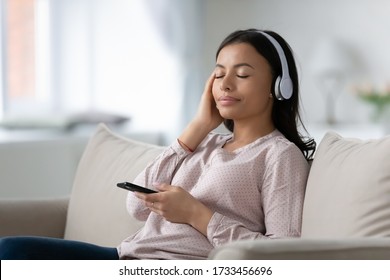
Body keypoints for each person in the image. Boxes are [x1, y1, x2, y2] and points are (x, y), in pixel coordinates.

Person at [0, 28, 315, 260]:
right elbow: (136, 205)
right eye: (219, 74)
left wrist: (196, 214)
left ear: (279, 87)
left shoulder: (279, 155)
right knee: (13, 250)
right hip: (127, 258)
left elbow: (280, 256)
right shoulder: (203, 144)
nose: (226, 84)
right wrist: (198, 127)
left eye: (242, 74)